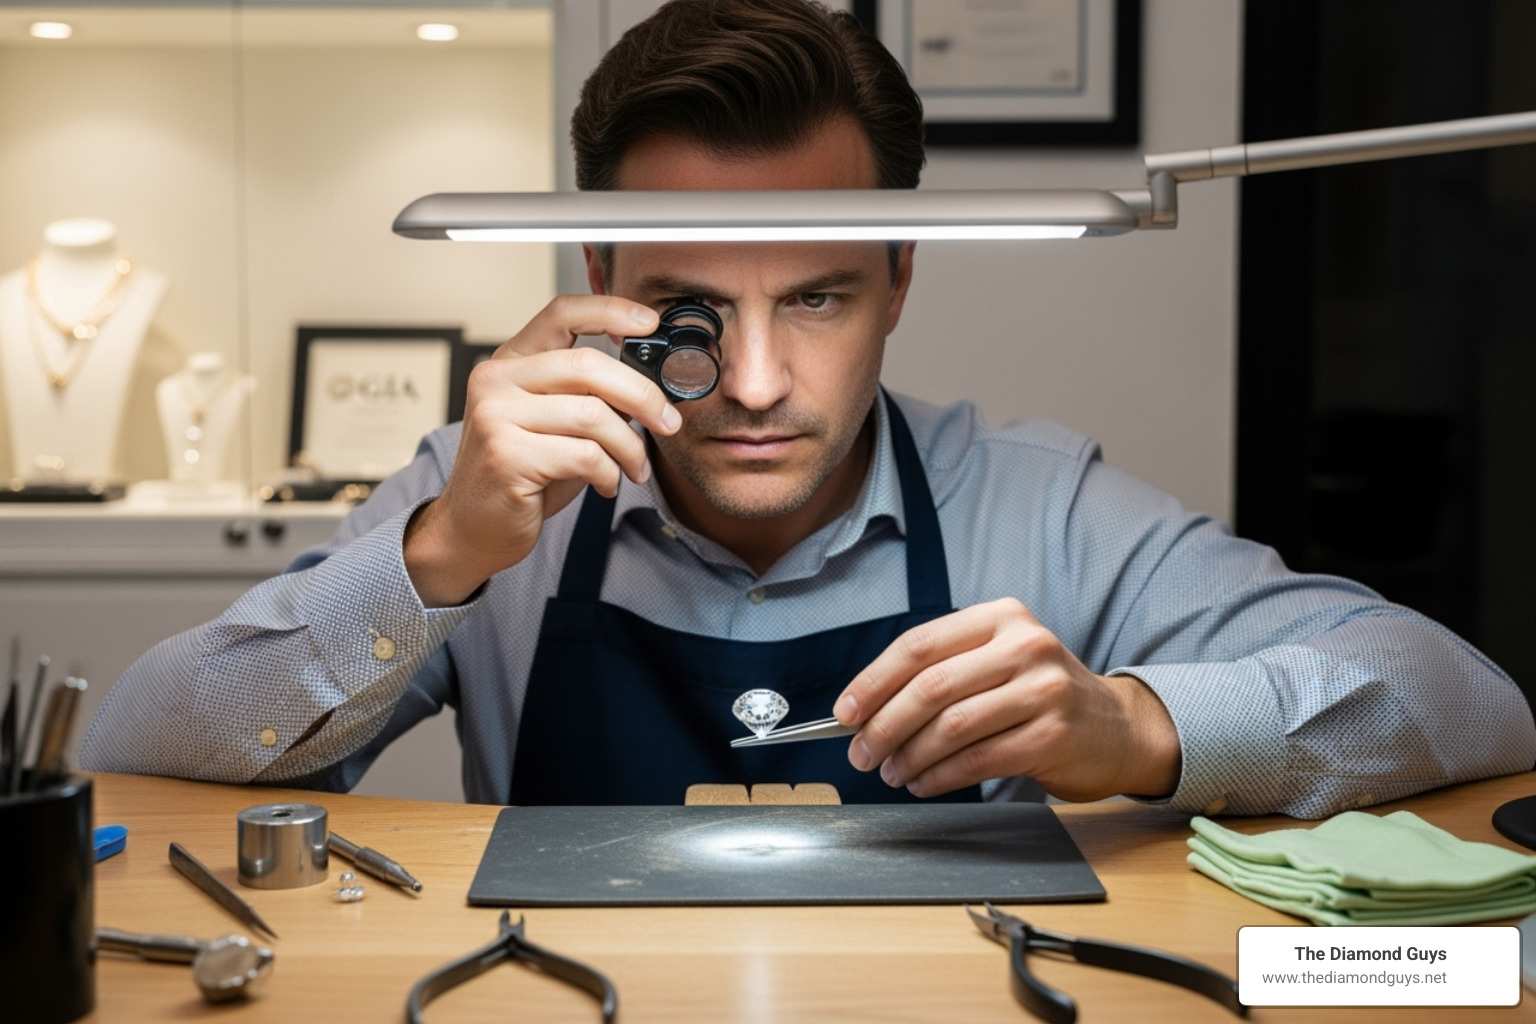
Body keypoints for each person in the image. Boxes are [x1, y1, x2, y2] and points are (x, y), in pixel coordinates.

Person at [82, 0, 1534, 816]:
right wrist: (438, 555)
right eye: (692, 312)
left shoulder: (1039, 504)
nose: (760, 383)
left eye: (821, 298)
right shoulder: (494, 499)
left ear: (900, 280)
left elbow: (1465, 699)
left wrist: (1134, 726)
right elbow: (132, 747)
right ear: (600, 278)